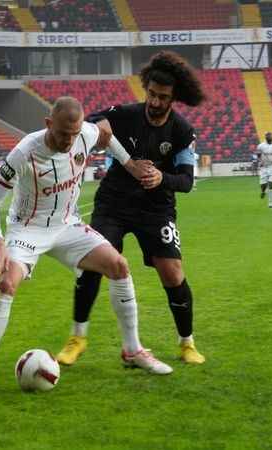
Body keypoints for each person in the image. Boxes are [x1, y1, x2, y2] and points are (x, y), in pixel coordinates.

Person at [0, 97, 170, 392]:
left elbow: (107, 137)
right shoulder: (24, 152)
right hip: (27, 230)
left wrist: (131, 165)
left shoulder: (85, 133)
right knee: (7, 284)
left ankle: (132, 350)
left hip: (67, 225)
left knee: (119, 266)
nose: (69, 141)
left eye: (74, 134)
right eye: (62, 134)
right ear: (48, 124)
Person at [57, 51, 207, 366]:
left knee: (173, 272)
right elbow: (93, 123)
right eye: (151, 94)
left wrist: (160, 177)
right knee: (94, 264)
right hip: (113, 203)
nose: (154, 101)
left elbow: (187, 181)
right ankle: (77, 338)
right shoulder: (125, 114)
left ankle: (186, 343)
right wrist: (106, 135)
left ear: (173, 98)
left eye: (162, 97)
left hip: (156, 209)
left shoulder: (181, 131)